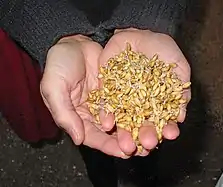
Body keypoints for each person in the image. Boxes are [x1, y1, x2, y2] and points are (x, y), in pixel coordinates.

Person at [0, 0, 191, 186]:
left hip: (141, 27)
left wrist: (149, 15)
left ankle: (145, 176)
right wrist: (55, 30)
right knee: (91, 132)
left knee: (145, 142)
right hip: (79, 67)